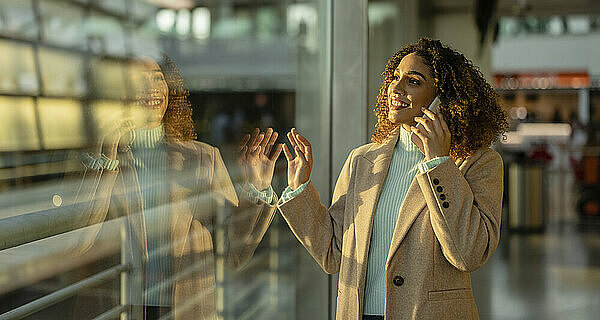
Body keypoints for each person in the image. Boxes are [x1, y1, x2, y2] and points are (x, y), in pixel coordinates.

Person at [277, 38, 508, 320]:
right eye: (394, 78)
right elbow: (333, 252)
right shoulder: (362, 161)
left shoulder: (478, 163)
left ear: (442, 98)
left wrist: (438, 163)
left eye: (413, 81)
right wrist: (299, 188)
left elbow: (468, 253)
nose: (395, 89)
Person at [72, 55, 281, 320]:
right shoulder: (96, 157)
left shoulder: (203, 157)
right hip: (116, 307)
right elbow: (79, 243)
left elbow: (233, 253)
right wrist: (106, 158)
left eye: (158, 78)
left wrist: (256, 190)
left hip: (186, 309)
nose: (153, 88)